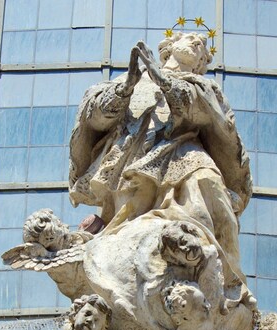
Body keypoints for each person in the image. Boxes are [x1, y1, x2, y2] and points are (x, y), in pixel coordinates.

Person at [69, 33, 253, 288]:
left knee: (210, 185)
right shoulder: (126, 80)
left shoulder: (203, 86)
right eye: (190, 40)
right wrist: (127, 86)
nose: (196, 45)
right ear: (170, 47)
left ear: (201, 62)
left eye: (200, 47)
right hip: (133, 156)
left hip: (183, 149)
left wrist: (162, 78)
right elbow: (95, 118)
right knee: (128, 221)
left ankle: (228, 280)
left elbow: (200, 112)